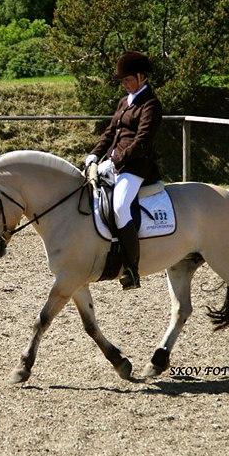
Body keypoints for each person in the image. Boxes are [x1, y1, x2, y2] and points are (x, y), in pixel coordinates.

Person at [84, 51, 163, 290]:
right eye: (123, 81)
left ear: (141, 77)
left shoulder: (151, 104)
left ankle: (131, 268)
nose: (125, 84)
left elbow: (142, 140)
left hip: (136, 167)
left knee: (119, 207)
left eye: (128, 80)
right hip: (114, 163)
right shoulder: (124, 101)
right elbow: (111, 132)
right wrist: (95, 154)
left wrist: (116, 159)